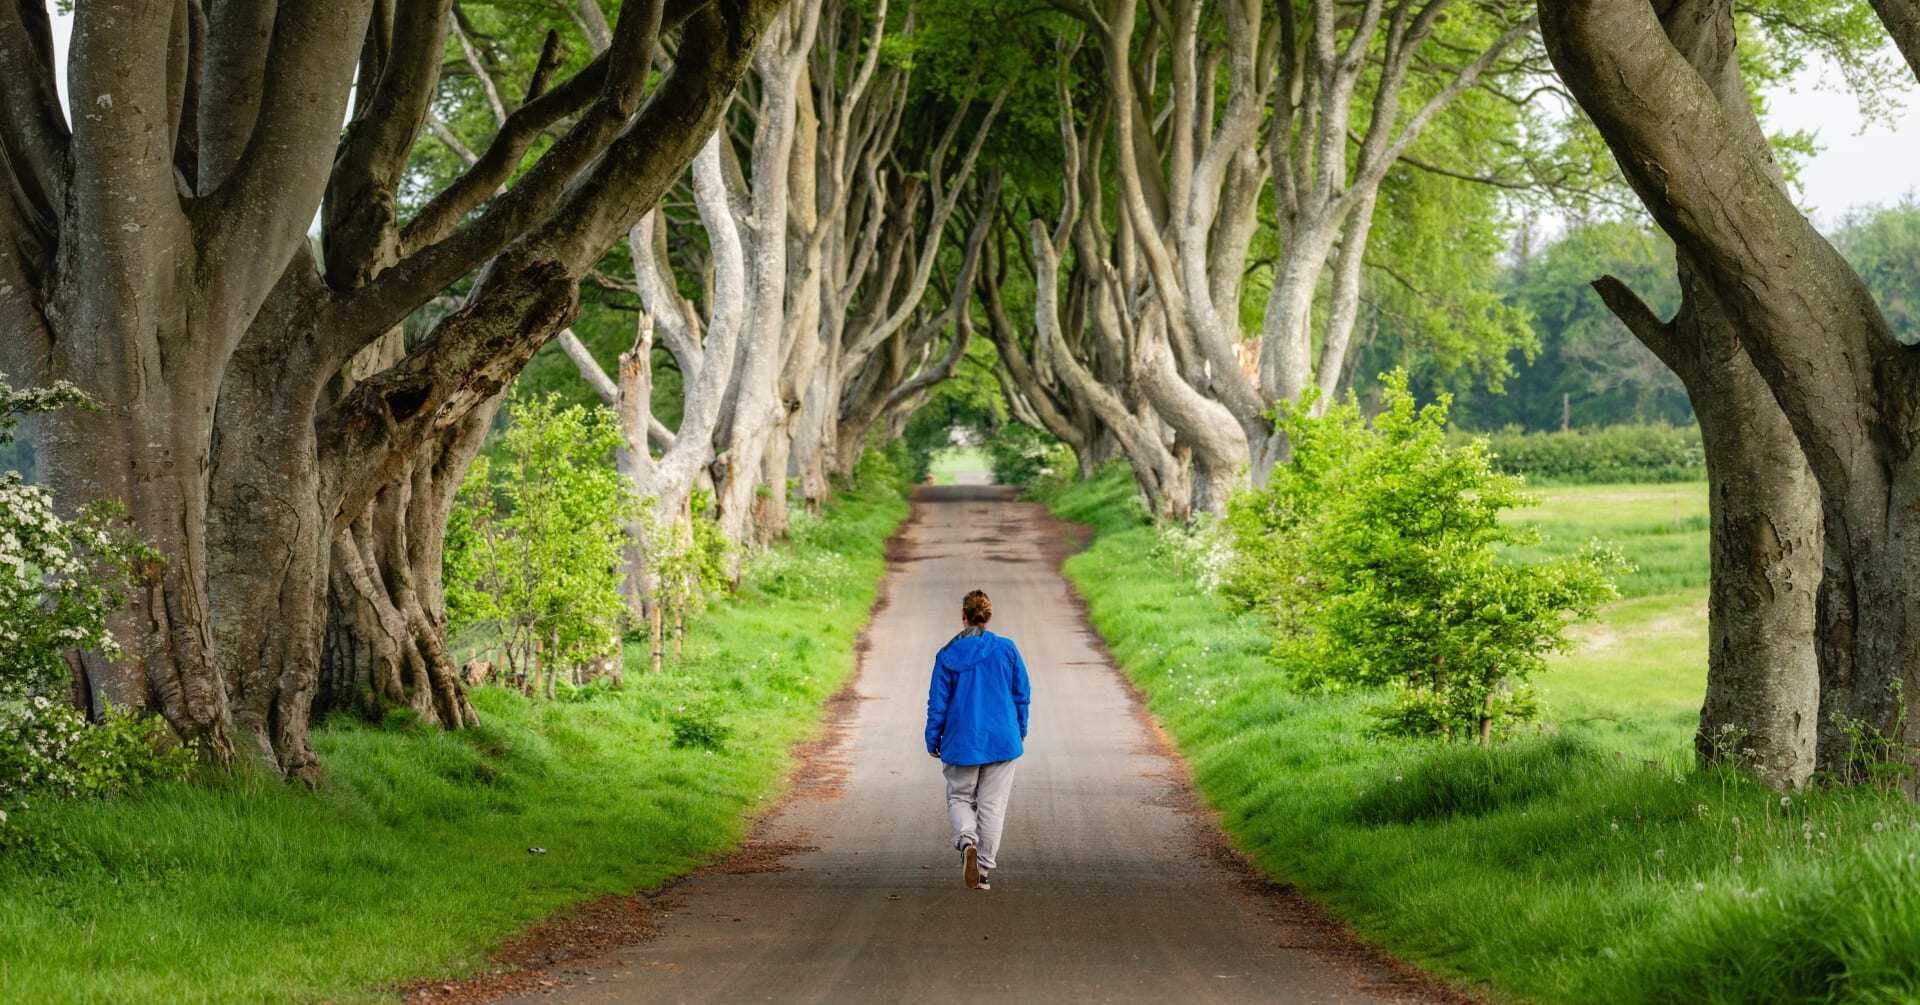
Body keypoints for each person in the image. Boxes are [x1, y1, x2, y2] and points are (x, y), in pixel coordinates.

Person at [925, 589, 1032, 891]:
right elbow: (1022, 694)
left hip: (961, 741)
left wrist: (933, 737)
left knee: (960, 797)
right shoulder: (1007, 649)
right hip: (1002, 739)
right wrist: (1020, 728)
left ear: (963, 617)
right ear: (988, 615)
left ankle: (967, 838)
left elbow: (938, 703)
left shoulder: (946, 656)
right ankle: (983, 870)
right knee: (992, 804)